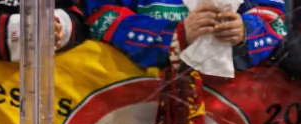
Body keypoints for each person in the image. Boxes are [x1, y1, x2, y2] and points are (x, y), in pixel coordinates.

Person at [82, 0, 286, 70]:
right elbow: (102, 17)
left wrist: (246, 30)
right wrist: (171, 35)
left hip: (229, 111)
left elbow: (273, 17)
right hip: (138, 106)